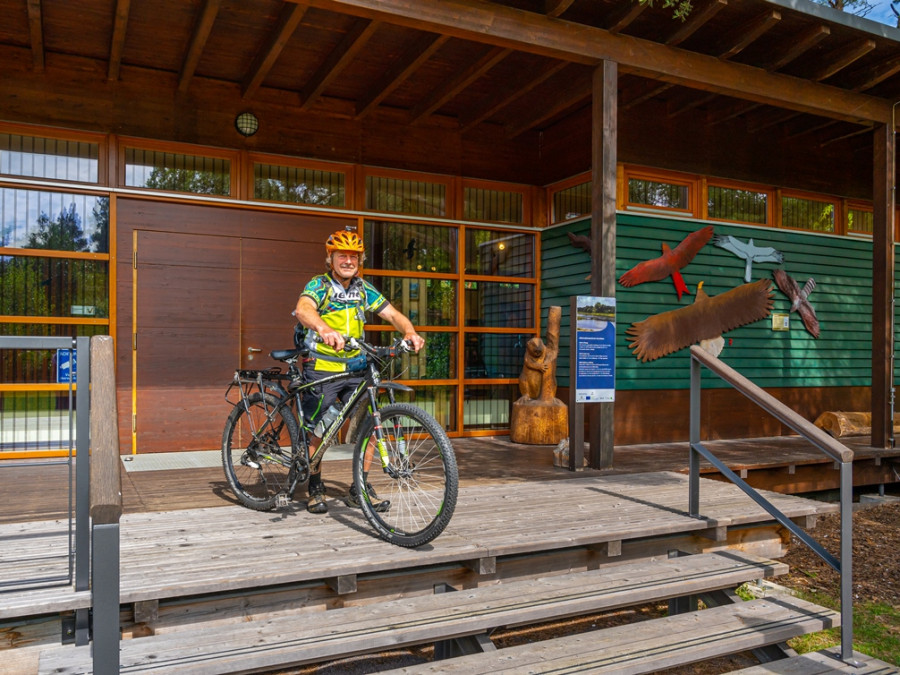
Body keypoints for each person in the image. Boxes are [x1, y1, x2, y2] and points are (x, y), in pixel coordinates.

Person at [293, 229, 425, 514]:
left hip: (356, 368)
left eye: (353, 256)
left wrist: (410, 331)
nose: (348, 261)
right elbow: (304, 310)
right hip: (323, 368)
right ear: (331, 258)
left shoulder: (363, 288)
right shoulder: (320, 285)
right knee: (321, 430)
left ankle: (360, 488)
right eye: (342, 255)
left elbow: (392, 314)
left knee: (371, 429)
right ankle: (315, 487)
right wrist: (324, 328)